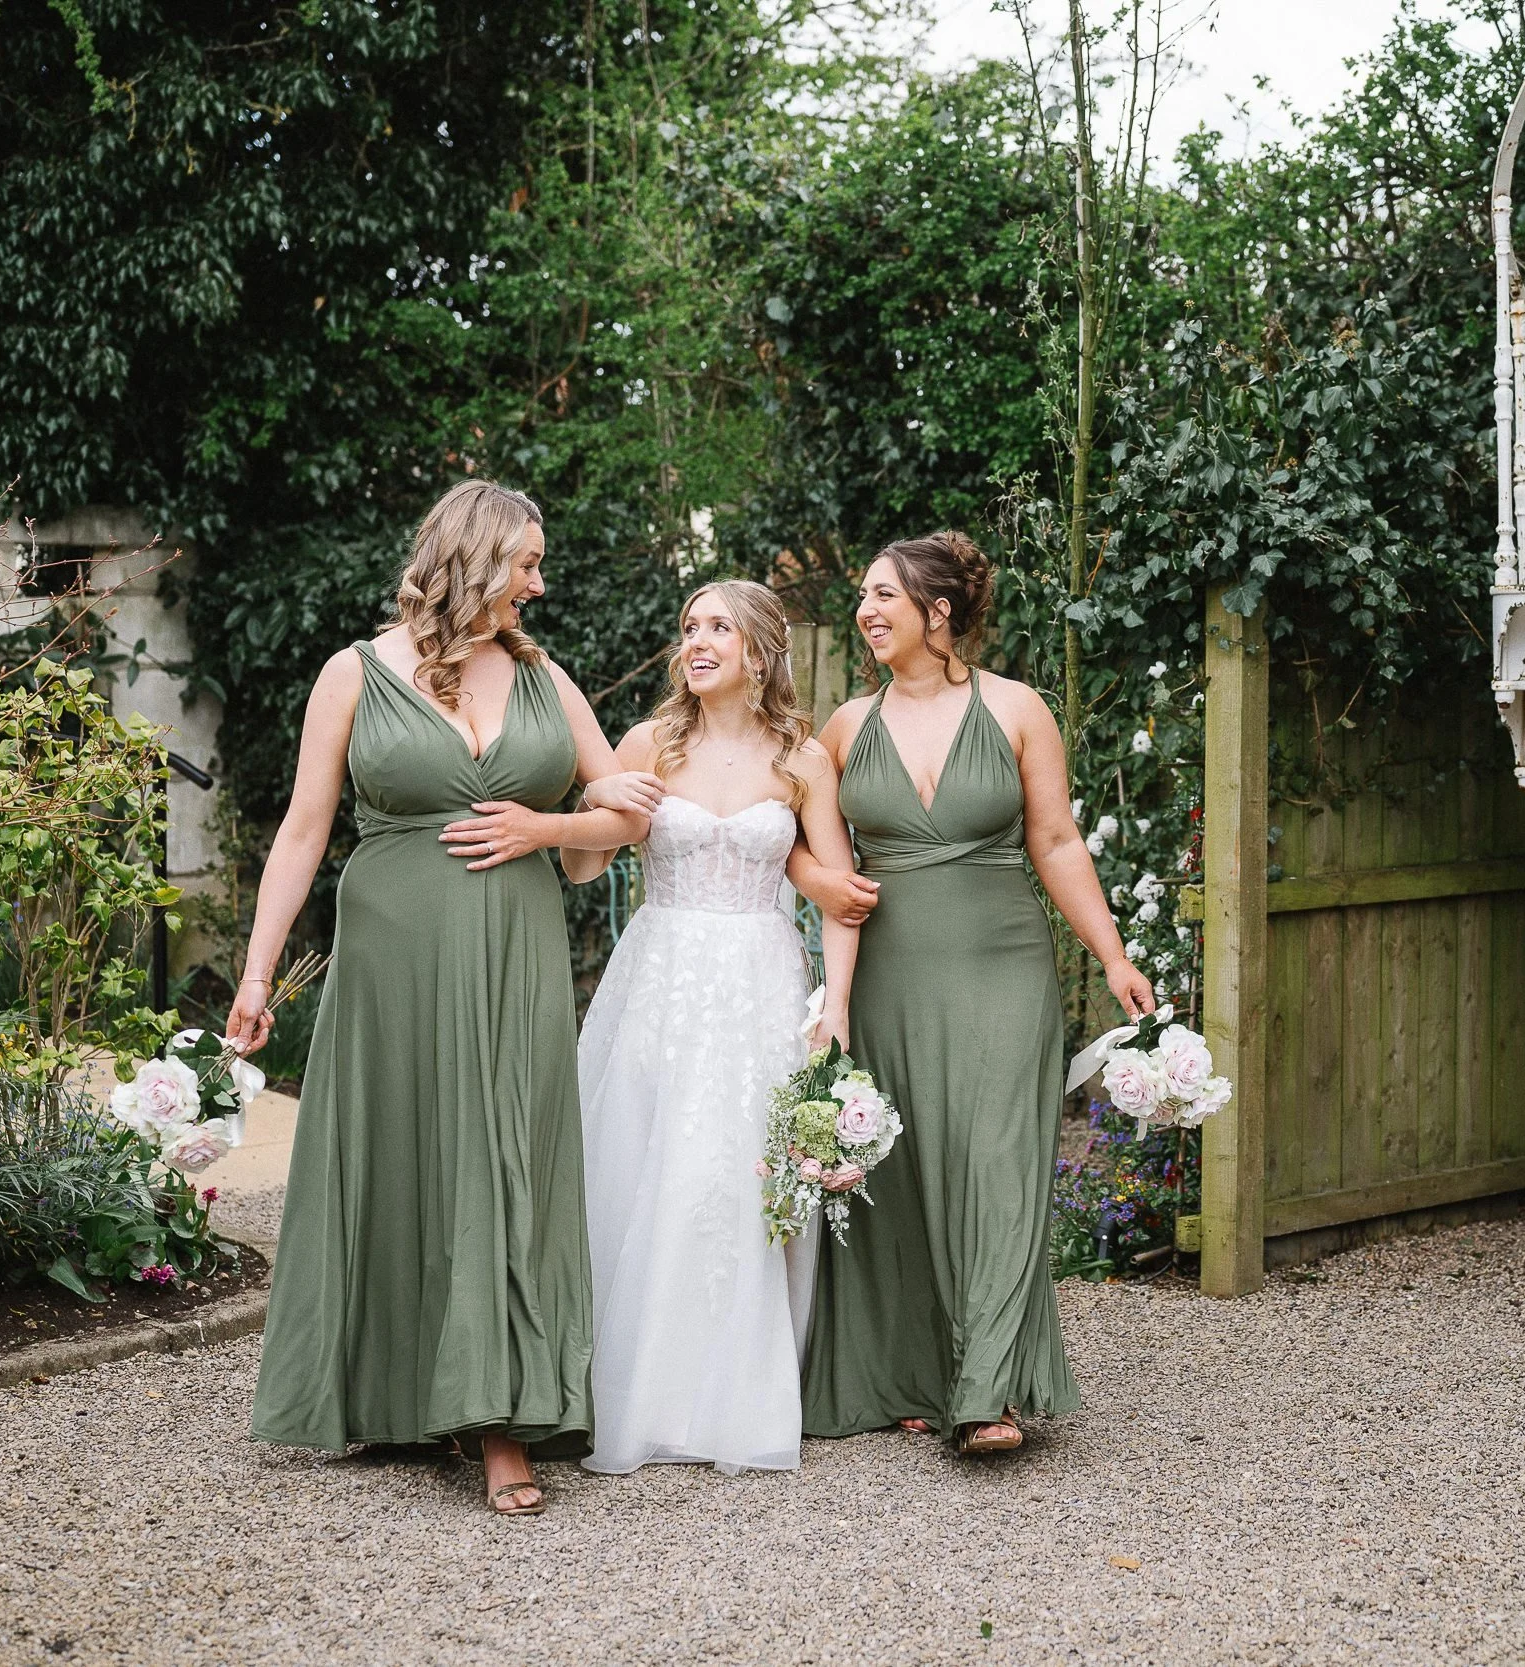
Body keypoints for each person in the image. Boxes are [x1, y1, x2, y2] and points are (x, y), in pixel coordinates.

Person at [231, 480, 664, 1516]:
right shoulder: (352, 673)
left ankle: (502, 1414)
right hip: (395, 954)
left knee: (504, 1155)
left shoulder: (543, 676)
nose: (540, 582)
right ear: (471, 556)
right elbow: (302, 829)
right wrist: (257, 975)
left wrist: (551, 825)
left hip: (515, 950)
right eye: (526, 562)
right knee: (407, 1153)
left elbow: (625, 817)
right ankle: (400, 1391)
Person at [801, 531, 1153, 1455]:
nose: (868, 612)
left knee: (997, 1163)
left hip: (1004, 966)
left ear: (939, 611)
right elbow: (787, 838)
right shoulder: (842, 727)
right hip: (888, 976)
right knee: (905, 1173)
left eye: (885, 596)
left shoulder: (1018, 710)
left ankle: (985, 1391)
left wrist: (1112, 956)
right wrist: (818, 880)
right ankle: (911, 1373)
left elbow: (1059, 841)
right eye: (865, 597)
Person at [572, 579, 866, 1476]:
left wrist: (835, 1013)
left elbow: (842, 898)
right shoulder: (648, 744)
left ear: (760, 650)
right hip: (662, 976)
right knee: (655, 1167)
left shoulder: (803, 759)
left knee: (741, 1173)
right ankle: (641, 1395)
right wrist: (593, 793)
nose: (697, 641)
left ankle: (737, 1397)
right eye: (690, 625)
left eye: (719, 628)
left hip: (763, 981)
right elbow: (586, 864)